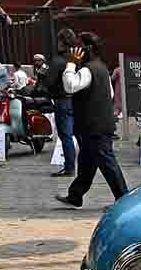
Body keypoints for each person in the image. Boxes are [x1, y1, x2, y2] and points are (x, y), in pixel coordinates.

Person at [55, 32, 128, 208]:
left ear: (88, 49)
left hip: (94, 126)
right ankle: (75, 195)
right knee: (87, 161)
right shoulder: (101, 68)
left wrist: (71, 64)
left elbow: (70, 86)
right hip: (96, 124)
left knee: (107, 162)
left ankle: (124, 199)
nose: (74, 50)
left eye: (78, 47)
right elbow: (110, 93)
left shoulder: (87, 70)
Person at [44, 28, 77, 177]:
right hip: (76, 99)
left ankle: (69, 167)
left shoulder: (58, 60)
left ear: (62, 42)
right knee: (78, 134)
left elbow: (49, 82)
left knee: (65, 135)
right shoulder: (76, 58)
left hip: (62, 100)